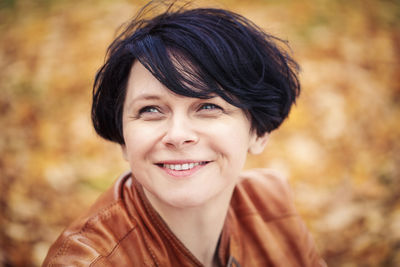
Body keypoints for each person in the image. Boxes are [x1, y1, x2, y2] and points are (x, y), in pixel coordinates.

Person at [43, 1, 326, 266]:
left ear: (259, 132)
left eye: (207, 106)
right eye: (151, 110)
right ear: (124, 139)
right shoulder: (89, 260)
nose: (177, 135)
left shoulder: (271, 204)